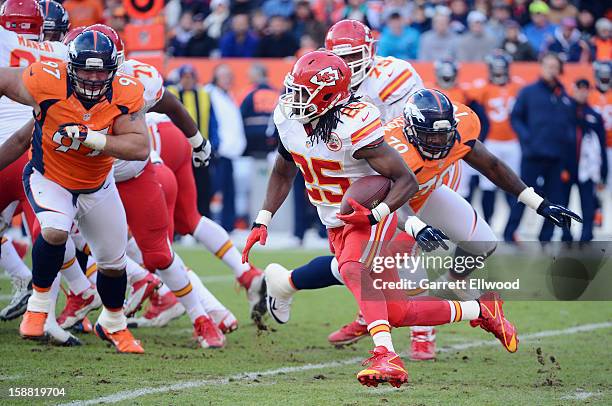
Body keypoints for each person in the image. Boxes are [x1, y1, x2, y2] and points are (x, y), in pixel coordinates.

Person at [242, 52, 520, 388]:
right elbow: (283, 170)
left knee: (350, 268)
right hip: (335, 219)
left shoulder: (356, 121)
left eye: (304, 92)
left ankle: (385, 355)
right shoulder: (289, 119)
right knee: (398, 313)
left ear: (329, 95)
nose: (294, 99)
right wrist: (263, 219)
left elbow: (406, 181)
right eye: (295, 90)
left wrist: (376, 214)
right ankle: (481, 310)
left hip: (369, 213)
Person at [260, 88, 579, 367]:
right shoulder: (391, 147)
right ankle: (415, 331)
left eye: (444, 136)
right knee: (383, 281)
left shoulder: (461, 128)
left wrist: (538, 202)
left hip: (425, 193)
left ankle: (455, 286)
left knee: (482, 241)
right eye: (431, 137)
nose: (439, 143)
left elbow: (491, 165)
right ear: (412, 131)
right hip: (392, 206)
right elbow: (381, 198)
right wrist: (414, 228)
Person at [0, 30, 149, 353]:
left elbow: (140, 147)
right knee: (54, 230)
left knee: (113, 263)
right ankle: (38, 307)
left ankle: (113, 323)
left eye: (101, 71)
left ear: (114, 70)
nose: (94, 78)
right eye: (86, 69)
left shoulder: (126, 92)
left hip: (98, 185)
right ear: (69, 67)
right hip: (49, 177)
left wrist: (94, 138)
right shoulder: (45, 79)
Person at [0, 1, 99, 346]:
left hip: (7, 148)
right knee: (52, 234)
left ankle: (71, 295)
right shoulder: (59, 49)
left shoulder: (2, 39)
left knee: (52, 234)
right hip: (42, 150)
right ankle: (59, 306)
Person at [504, 53, 575, 242]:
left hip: (556, 156)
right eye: (548, 66)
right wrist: (527, 140)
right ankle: (509, 233)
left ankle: (546, 236)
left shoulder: (562, 94)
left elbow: (569, 123)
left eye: (554, 66)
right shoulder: (528, 92)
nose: (551, 70)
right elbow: (516, 117)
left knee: (554, 197)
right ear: (541, 67)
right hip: (533, 154)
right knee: (522, 194)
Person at [469, 52, 523, 225]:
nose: (499, 74)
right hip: (491, 141)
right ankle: (488, 224)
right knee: (488, 185)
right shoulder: (482, 88)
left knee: (514, 184)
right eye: (496, 70)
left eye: (502, 70)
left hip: (513, 142)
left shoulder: (517, 86)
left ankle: (511, 229)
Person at [166, 65, 218, 218]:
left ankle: (203, 221)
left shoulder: (204, 95)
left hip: (200, 151)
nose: (188, 81)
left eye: (191, 77)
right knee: (177, 189)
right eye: (185, 77)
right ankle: (177, 226)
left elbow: (212, 122)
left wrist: (213, 144)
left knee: (203, 189)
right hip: (179, 152)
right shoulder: (171, 94)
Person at [560, 79, 607, 242]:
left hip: (587, 168)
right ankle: (566, 235)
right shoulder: (564, 111)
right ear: (573, 90)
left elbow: (601, 144)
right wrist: (560, 166)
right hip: (567, 165)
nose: (582, 92)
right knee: (563, 203)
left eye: (585, 89)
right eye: (579, 89)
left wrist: (603, 171)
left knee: (588, 203)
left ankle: (586, 236)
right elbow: (559, 140)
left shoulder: (594, 115)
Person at [206, 64, 247, 232]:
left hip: (230, 152)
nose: (228, 79)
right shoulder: (209, 94)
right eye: (224, 76)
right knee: (212, 189)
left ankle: (228, 226)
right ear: (216, 77)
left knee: (229, 191)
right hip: (218, 151)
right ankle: (203, 224)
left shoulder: (229, 96)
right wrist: (216, 145)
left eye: (229, 76)